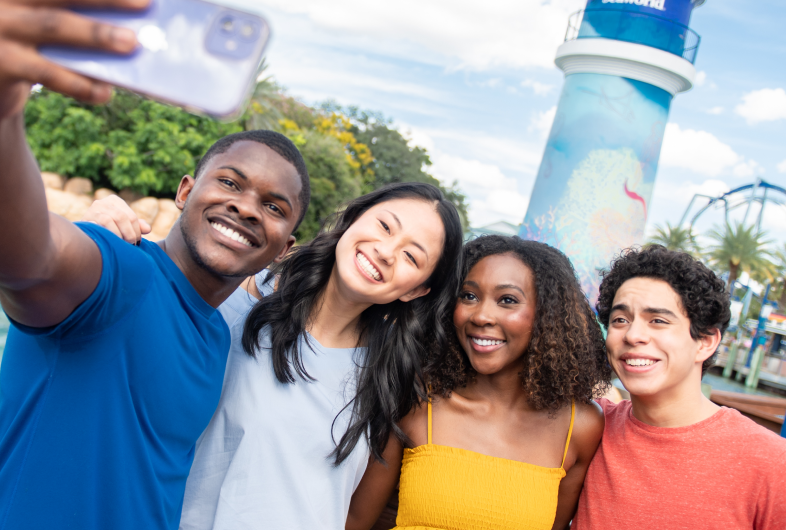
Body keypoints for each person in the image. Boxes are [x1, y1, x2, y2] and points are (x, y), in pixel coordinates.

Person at [0, 2, 312, 529]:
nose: (246, 207)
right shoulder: (122, 271)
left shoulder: (216, 334)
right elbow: (33, 257)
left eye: (274, 206)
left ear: (285, 247)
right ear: (186, 190)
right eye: (230, 183)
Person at [180, 182, 463, 530]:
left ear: (418, 289)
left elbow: (355, 516)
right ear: (354, 219)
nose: (387, 251)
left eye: (411, 257)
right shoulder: (241, 299)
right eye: (385, 226)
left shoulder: (388, 380)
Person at [347, 235, 612, 530]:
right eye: (469, 296)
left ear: (547, 315)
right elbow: (356, 521)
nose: (482, 315)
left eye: (507, 300)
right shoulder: (417, 397)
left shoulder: (581, 426)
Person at [573, 246, 786, 530]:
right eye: (621, 320)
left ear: (705, 342)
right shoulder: (587, 428)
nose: (633, 335)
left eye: (658, 321)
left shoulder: (770, 463)